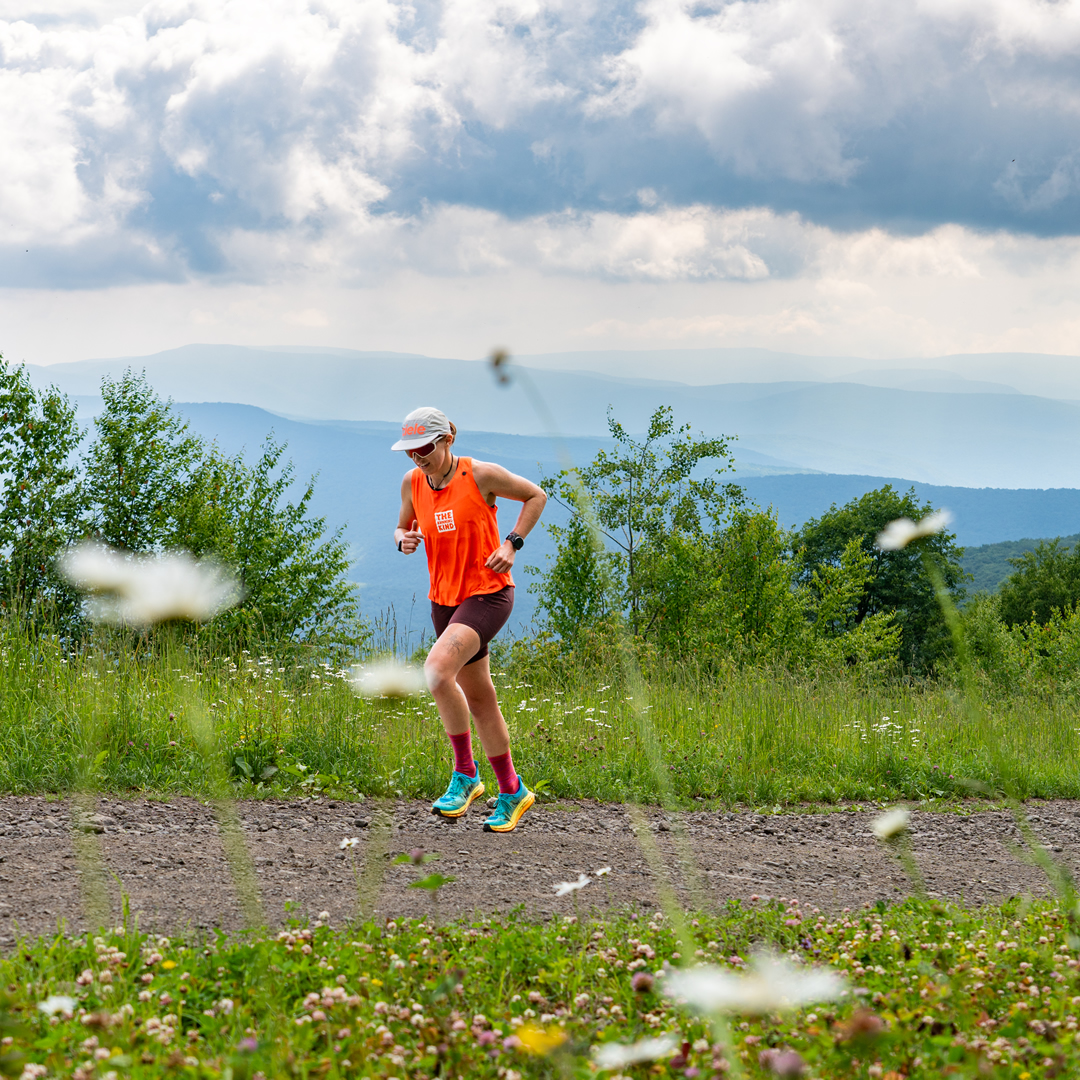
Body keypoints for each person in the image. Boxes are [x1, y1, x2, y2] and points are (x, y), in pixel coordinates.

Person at [392, 406, 547, 832]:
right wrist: (403, 539)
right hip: (444, 601)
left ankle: (465, 775)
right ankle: (513, 790)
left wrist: (513, 543)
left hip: (488, 594)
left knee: (437, 672)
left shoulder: (480, 475)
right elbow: (402, 527)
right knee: (480, 699)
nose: (416, 457)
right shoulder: (412, 482)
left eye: (423, 448)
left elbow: (537, 496)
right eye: (409, 450)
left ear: (447, 440)